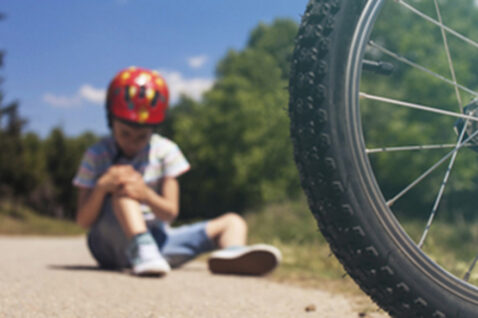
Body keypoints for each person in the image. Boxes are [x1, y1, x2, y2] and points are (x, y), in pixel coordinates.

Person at [73, 66, 281, 276]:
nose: (132, 143)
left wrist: (145, 194)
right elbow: (83, 221)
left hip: (158, 242)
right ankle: (141, 248)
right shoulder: (96, 154)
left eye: (141, 137)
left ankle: (232, 255)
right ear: (111, 121)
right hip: (108, 244)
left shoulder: (166, 151)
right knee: (124, 190)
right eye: (125, 133)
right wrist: (102, 187)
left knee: (233, 221)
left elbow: (170, 212)